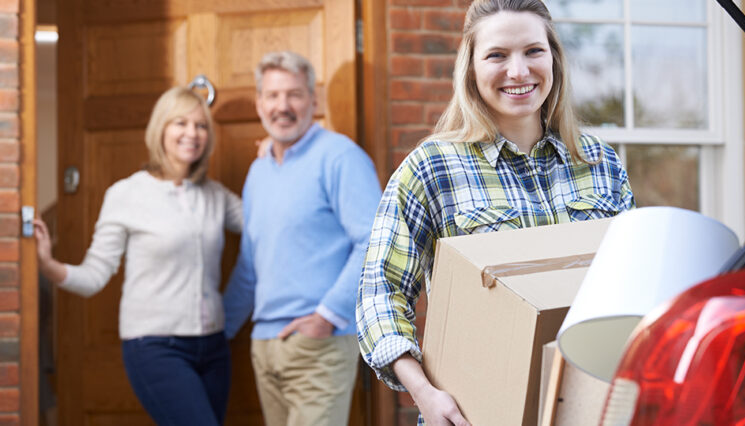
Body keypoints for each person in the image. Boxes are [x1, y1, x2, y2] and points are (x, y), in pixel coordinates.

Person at [356, 0, 636, 425]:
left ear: (554, 59)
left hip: (585, 407)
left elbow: (632, 286)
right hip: (475, 414)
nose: (519, 71)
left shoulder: (600, 164)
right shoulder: (432, 168)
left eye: (533, 51)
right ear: (470, 67)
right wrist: (425, 394)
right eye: (497, 55)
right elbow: (380, 293)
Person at [33, 87, 242, 426]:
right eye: (181, 123)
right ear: (160, 129)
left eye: (201, 126)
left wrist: (274, 163)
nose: (192, 133)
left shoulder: (216, 195)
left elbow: (265, 228)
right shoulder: (127, 194)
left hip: (214, 347)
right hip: (156, 347)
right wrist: (49, 265)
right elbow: (95, 275)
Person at [223, 51, 381, 426]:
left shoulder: (339, 156)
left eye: (294, 94)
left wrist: (326, 316)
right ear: (259, 103)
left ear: (313, 100)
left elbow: (373, 242)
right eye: (273, 96)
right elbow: (249, 264)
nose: (283, 106)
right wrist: (218, 333)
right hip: (264, 345)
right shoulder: (258, 173)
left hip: (319, 344)